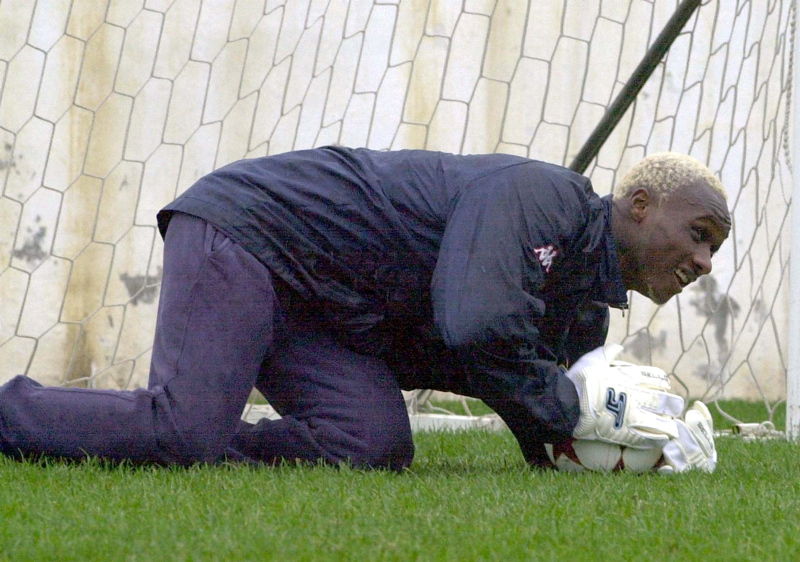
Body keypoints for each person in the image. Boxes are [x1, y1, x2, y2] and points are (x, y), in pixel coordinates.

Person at [0, 148, 730, 471]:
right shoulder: (543, 195)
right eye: (698, 236)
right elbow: (475, 322)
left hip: (317, 308)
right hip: (253, 233)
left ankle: (205, 437)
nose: (702, 265)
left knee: (373, 442)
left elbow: (547, 417)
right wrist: (570, 409)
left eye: (712, 254)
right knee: (180, 428)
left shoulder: (584, 316)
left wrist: (637, 449)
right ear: (639, 205)